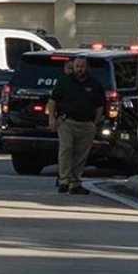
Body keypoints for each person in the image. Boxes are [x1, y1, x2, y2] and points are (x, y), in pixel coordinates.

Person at [47, 56, 105, 195]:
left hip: (86, 124)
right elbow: (53, 101)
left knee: (80, 155)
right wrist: (52, 119)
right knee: (66, 150)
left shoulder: (95, 85)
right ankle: (64, 181)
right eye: (77, 66)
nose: (79, 69)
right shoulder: (64, 82)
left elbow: (100, 105)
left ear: (87, 67)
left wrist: (95, 123)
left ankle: (75, 183)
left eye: (82, 66)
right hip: (67, 122)